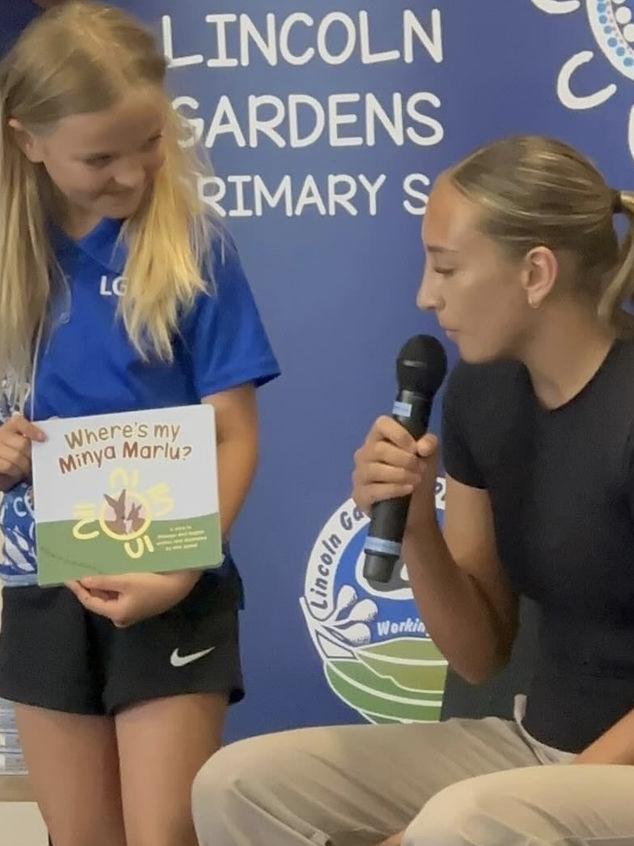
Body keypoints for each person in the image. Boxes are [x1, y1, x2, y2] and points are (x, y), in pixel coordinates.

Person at [192, 135, 634, 846]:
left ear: (537, 272)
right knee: (238, 784)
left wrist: (544, 797)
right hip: (533, 748)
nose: (425, 296)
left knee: (464, 822)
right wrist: (415, 523)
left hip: (605, 771)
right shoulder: (480, 396)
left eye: (447, 268)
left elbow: (508, 811)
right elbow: (479, 654)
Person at [0, 3, 279, 846]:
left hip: (172, 580)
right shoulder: (15, 255)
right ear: (28, 140)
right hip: (41, 582)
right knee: (78, 834)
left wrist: (184, 568)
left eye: (149, 142)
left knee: (163, 832)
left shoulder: (193, 246)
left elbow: (234, 431)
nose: (131, 174)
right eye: (100, 158)